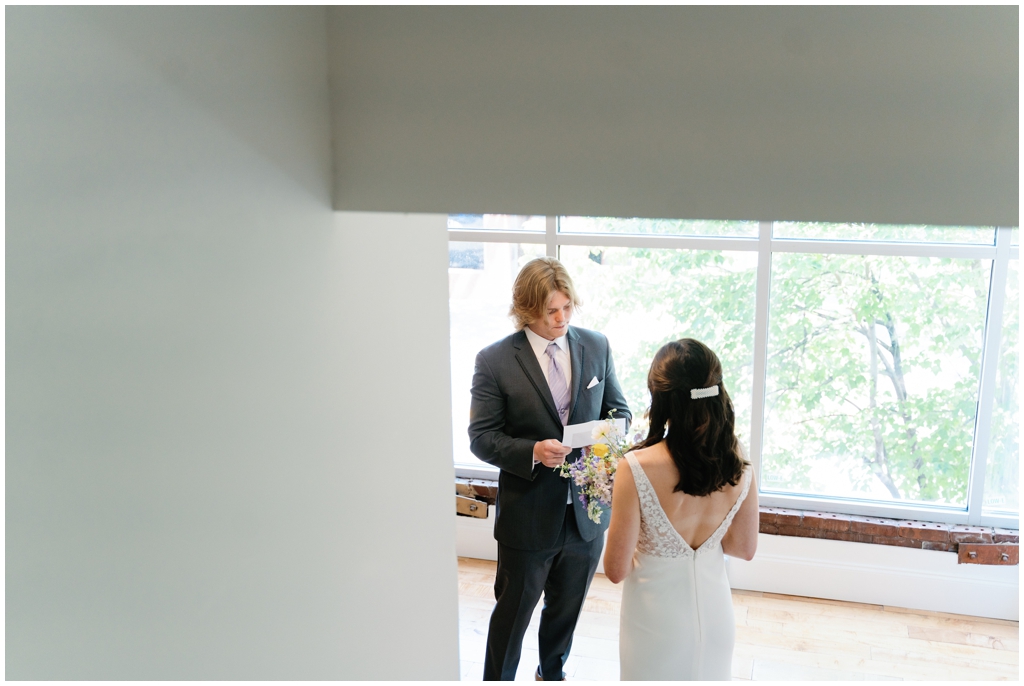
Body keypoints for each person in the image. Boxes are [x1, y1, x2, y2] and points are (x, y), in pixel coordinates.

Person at [469, 257, 631, 681]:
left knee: (566, 613)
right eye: (550, 311)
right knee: (511, 619)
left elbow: (621, 412)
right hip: (528, 516)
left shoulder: (597, 346)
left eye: (567, 308)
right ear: (526, 311)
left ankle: (551, 675)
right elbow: (481, 438)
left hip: (586, 514)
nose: (561, 319)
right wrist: (533, 451)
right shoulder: (495, 361)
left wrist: (603, 439)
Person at [603, 338, 759, 681]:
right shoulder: (739, 462)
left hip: (654, 624)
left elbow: (616, 569)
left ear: (662, 400)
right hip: (717, 618)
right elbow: (743, 548)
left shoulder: (636, 467)